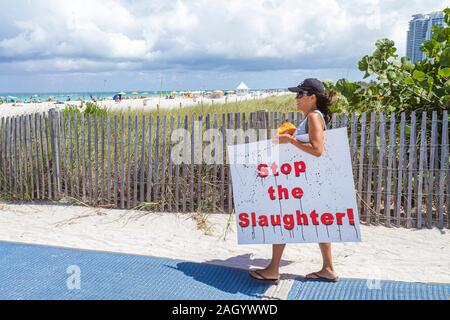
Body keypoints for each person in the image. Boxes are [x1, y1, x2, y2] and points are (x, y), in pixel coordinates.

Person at [249, 78, 339, 284]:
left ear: (312, 97)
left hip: (302, 181)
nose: (296, 98)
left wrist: (290, 140)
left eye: (300, 94)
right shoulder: (314, 116)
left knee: (282, 217)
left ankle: (273, 269)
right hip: (310, 180)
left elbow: (317, 150)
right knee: (318, 221)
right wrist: (293, 135)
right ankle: (328, 268)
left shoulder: (314, 117)